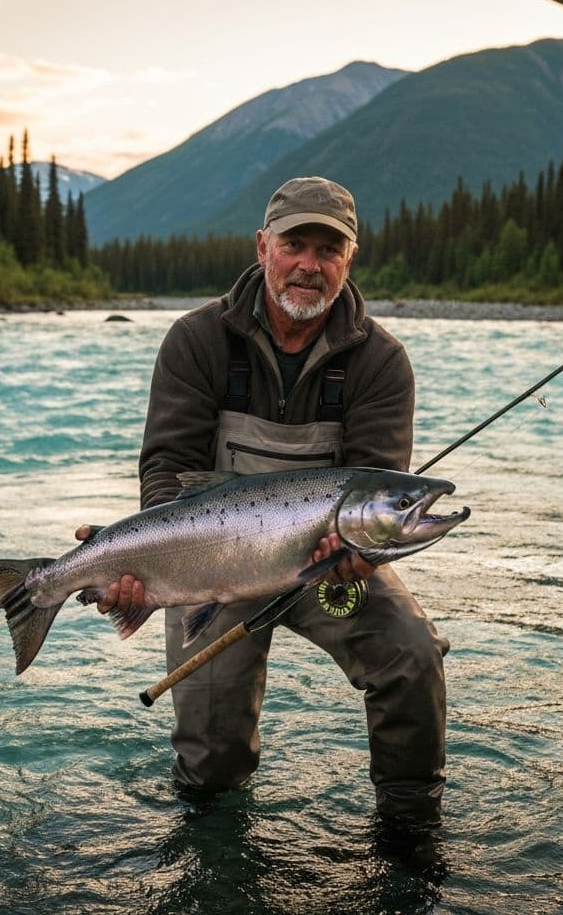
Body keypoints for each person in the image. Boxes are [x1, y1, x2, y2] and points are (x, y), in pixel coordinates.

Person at [79, 176, 449, 830]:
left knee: (411, 656)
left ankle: (409, 829)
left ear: (349, 260)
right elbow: (166, 470)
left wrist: (357, 560)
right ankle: (212, 852)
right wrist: (153, 570)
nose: (310, 264)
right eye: (295, 244)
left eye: (328, 250)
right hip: (206, 564)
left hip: (325, 563)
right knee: (212, 766)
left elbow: (383, 492)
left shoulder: (380, 362)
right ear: (262, 248)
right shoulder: (197, 340)